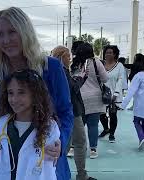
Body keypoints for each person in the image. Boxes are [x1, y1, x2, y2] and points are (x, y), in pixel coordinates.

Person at [0, 7, 73, 180]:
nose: (5, 40)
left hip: (45, 156)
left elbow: (65, 112)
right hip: (1, 157)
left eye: (12, 32)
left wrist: (60, 142)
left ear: (25, 32)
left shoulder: (51, 68)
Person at [0, 69, 60, 180]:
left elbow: (49, 167)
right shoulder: (1, 125)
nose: (14, 99)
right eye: (10, 93)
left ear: (35, 95)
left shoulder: (50, 127)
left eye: (21, 92)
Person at [51, 45, 96, 180]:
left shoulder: (57, 71)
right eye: (68, 56)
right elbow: (73, 89)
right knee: (80, 142)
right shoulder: (62, 71)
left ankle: (60, 173)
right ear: (61, 57)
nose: (70, 58)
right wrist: (82, 77)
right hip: (72, 112)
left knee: (64, 143)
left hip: (63, 113)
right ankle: (81, 174)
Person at [72, 42, 108, 159]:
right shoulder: (96, 62)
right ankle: (93, 150)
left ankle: (74, 148)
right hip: (95, 98)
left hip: (79, 98)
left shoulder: (75, 64)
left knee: (79, 125)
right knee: (93, 125)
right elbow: (105, 79)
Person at [99, 45, 124, 143]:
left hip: (114, 94)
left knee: (113, 114)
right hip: (101, 94)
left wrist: (116, 93)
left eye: (110, 52)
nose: (108, 54)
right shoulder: (100, 65)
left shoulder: (119, 66)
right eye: (107, 52)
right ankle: (106, 129)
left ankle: (112, 133)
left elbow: (120, 80)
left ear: (115, 54)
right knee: (101, 114)